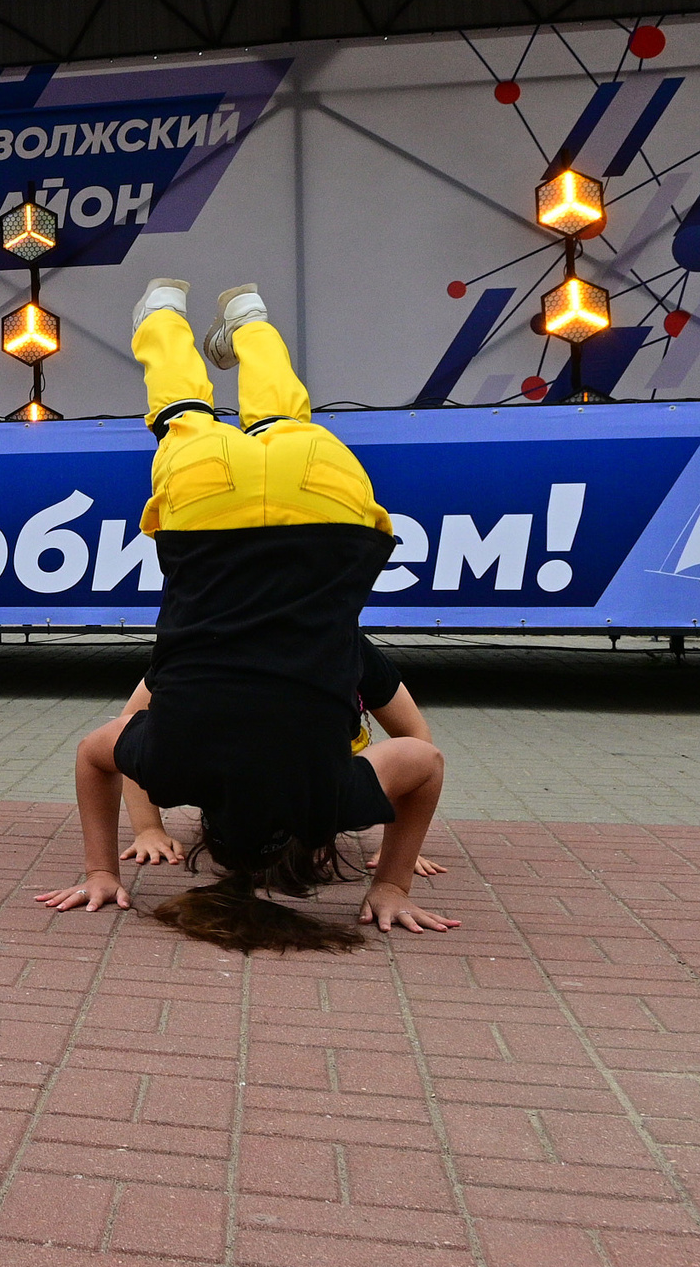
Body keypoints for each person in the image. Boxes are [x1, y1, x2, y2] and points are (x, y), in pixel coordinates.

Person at [39, 284, 457, 950]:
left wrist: (393, 880)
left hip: (327, 508)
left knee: (285, 420)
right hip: (208, 518)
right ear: (203, 823)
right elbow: (94, 755)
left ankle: (249, 322)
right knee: (183, 414)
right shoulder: (177, 766)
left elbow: (425, 759)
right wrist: (100, 869)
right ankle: (162, 313)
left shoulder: (330, 798)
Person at [116, 635, 447, 881]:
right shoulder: (205, 645)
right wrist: (148, 829)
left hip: (317, 774)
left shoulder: (346, 647)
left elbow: (417, 741)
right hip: (236, 772)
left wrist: (400, 851)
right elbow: (128, 727)